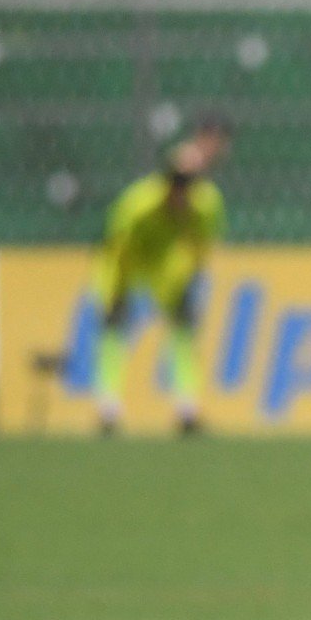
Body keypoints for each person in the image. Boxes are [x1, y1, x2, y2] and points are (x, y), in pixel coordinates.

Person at [91, 118, 230, 436]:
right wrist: (117, 291)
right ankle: (108, 409)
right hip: (126, 262)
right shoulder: (139, 204)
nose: (182, 196)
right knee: (113, 329)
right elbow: (117, 249)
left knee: (183, 329)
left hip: (165, 265)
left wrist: (188, 282)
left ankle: (187, 409)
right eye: (177, 186)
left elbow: (199, 247)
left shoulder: (206, 204)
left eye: (188, 187)